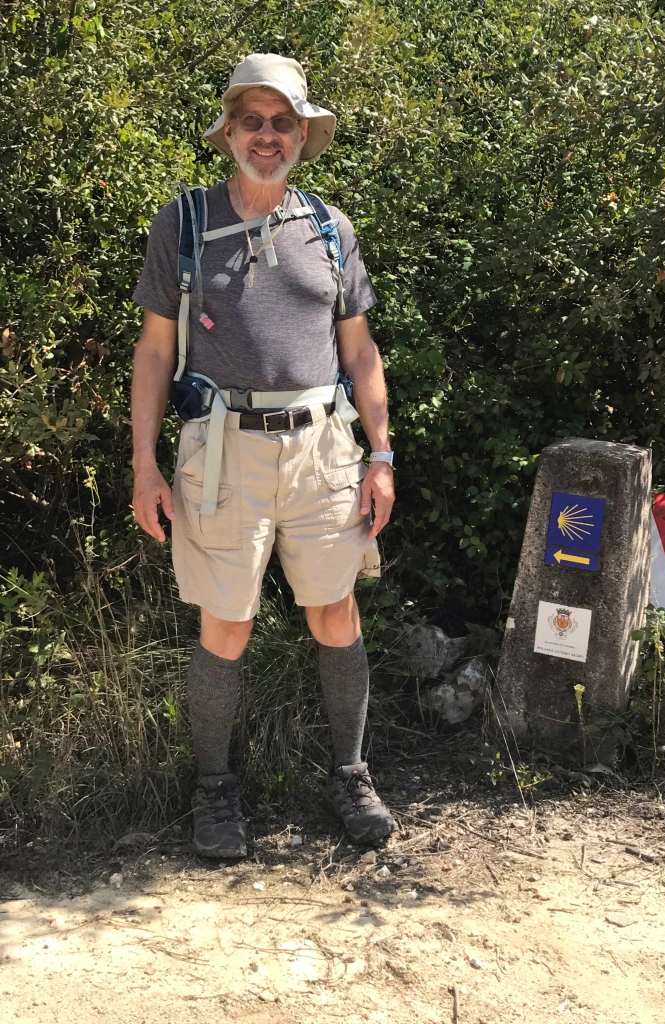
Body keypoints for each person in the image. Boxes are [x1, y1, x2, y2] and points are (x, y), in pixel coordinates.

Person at [130, 53, 396, 857]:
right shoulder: (183, 223)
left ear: (302, 134)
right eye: (253, 119)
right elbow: (151, 353)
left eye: (282, 122)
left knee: (335, 611)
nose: (268, 135)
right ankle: (214, 791)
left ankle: (350, 775)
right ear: (229, 131)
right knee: (226, 627)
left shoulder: (329, 228)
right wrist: (143, 465)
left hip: (323, 450)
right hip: (221, 452)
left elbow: (362, 352)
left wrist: (381, 455)